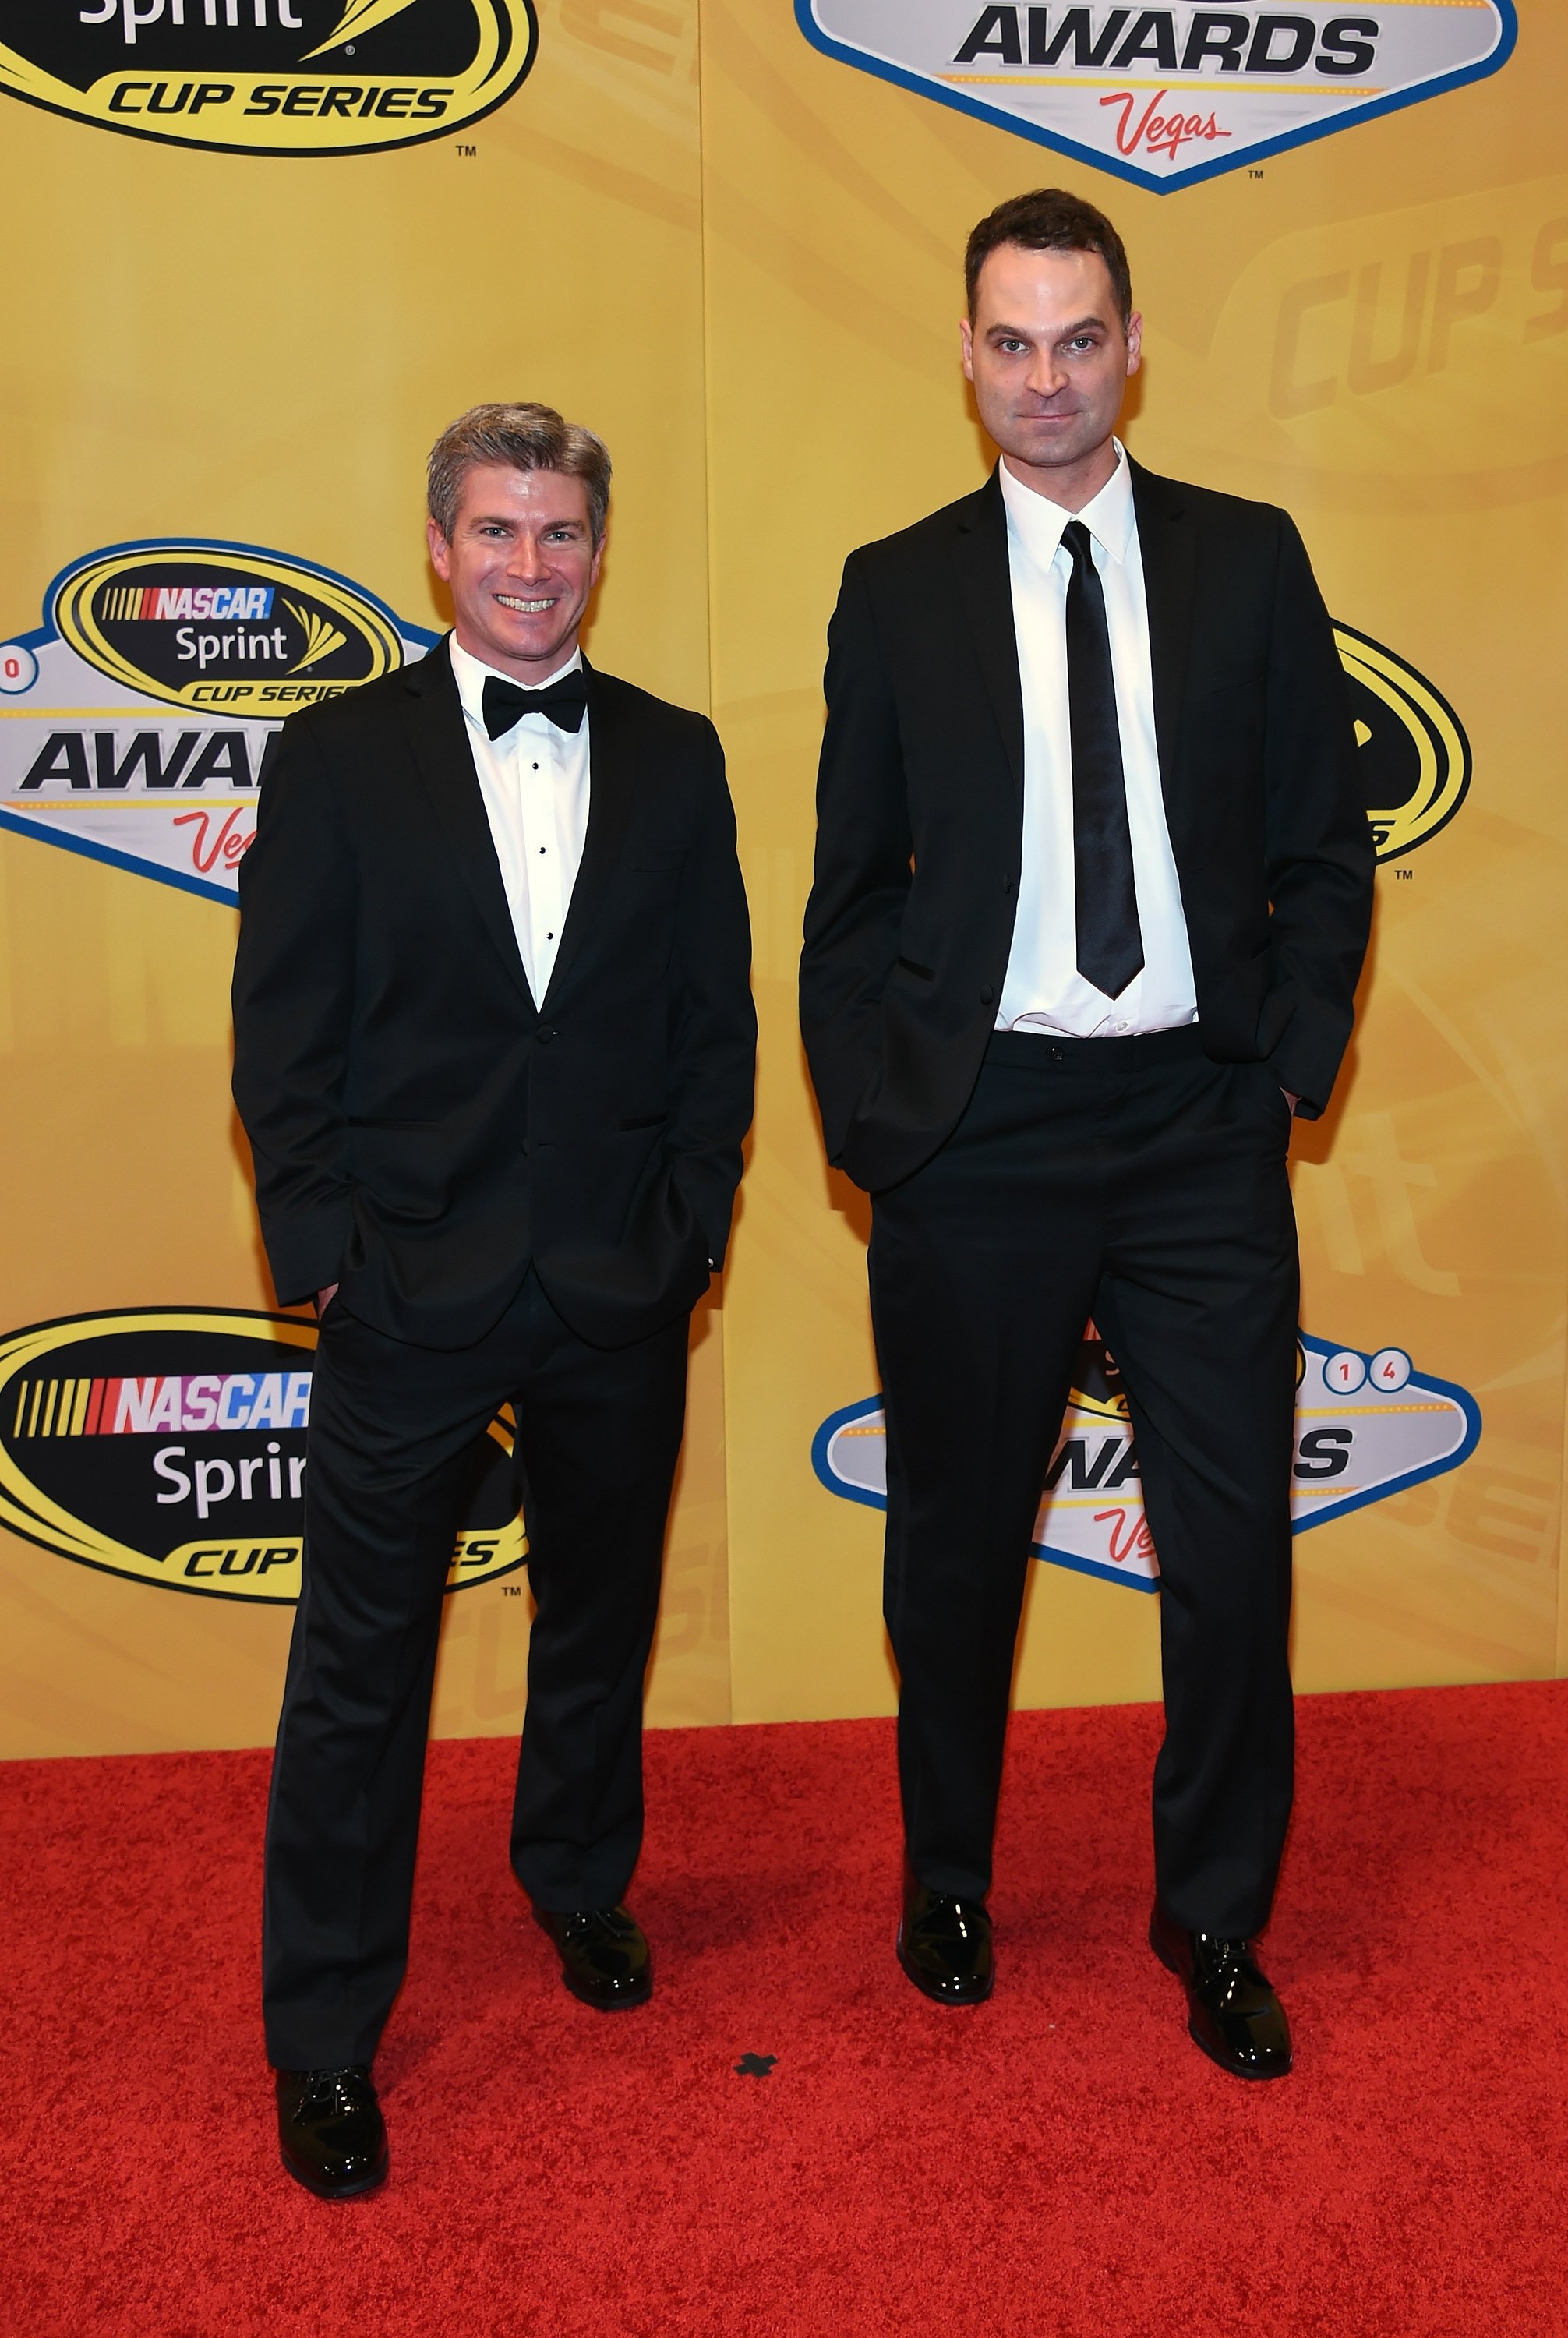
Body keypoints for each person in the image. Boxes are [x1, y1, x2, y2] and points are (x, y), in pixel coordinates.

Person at [799, 192, 1372, 2078]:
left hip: (1198, 1130)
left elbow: (1321, 847)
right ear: (965, 358)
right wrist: (889, 1123)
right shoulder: (894, 589)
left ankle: (1212, 1916)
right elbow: (846, 908)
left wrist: (1278, 1068)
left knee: (1227, 1554)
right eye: (1011, 340)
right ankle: (947, 1875)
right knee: (955, 1547)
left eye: (1078, 337)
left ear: (1133, 349)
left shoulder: (1249, 559)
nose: (1046, 376)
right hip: (981, 1136)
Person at [233, 402, 754, 2194]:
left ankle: (578, 1880)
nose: (533, 566)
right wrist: (323, 1255)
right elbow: (282, 1037)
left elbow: (715, 1026)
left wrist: (692, 1226)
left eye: (562, 534)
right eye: (499, 532)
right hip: (411, 1283)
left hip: (618, 1275)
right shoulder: (336, 758)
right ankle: (322, 2036)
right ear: (439, 548)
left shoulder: (681, 760)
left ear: (599, 551)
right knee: (358, 1677)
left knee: (597, 1622)